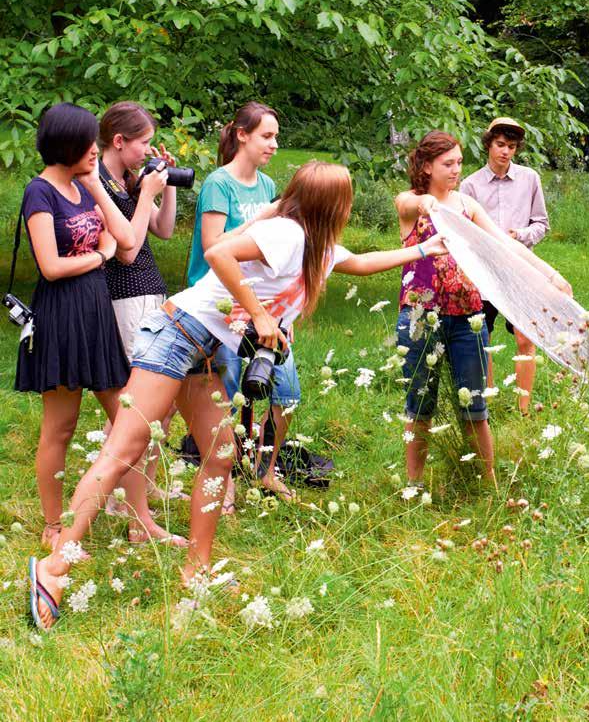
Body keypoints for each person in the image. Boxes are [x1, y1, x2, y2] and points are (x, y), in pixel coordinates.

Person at [29, 160, 448, 629]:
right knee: (124, 449)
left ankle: (197, 569)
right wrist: (260, 315)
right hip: (176, 333)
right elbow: (218, 255)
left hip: (204, 350)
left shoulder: (316, 245)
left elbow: (362, 264)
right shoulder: (287, 234)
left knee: (221, 452)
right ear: (334, 203)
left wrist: (424, 249)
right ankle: (54, 566)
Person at [395, 130, 571, 488]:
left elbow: (504, 245)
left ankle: (487, 483)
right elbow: (411, 206)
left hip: (468, 318)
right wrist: (428, 203)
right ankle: (413, 485)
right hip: (419, 315)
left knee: (475, 407)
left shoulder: (468, 206)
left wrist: (551, 274)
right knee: (419, 406)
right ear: (427, 166)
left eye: (459, 162)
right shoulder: (409, 201)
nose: (456, 170)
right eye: (448, 164)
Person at [14, 103, 135, 552]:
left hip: (96, 315)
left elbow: (124, 240)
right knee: (60, 428)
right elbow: (49, 267)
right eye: (89, 142)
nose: (96, 150)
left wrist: (96, 190)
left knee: (129, 420)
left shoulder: (84, 187)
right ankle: (52, 525)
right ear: (68, 144)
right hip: (62, 318)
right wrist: (99, 256)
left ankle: (141, 519)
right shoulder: (40, 193)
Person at [186, 102, 298, 511]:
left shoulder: (267, 185)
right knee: (227, 396)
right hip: (220, 304)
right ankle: (224, 483)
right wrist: (264, 216)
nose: (274, 144)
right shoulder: (219, 184)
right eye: (267, 136)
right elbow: (215, 247)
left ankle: (266, 471)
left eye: (276, 136)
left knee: (282, 393)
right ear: (242, 135)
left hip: (262, 306)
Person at [97, 102, 189, 546]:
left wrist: (163, 186)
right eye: (144, 143)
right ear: (119, 142)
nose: (148, 150)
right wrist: (146, 193)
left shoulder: (127, 181)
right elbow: (126, 250)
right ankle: (120, 494)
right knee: (141, 404)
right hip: (124, 296)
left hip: (151, 293)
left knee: (159, 402)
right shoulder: (98, 183)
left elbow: (165, 231)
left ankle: (136, 488)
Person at [460, 117, 549, 414]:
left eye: (511, 147)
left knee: (525, 337)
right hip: (483, 272)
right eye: (500, 145)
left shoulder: (529, 179)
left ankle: (524, 409)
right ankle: (485, 401)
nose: (505, 152)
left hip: (519, 270)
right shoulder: (470, 185)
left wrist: (520, 235)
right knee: (481, 337)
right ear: (488, 145)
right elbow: (464, 233)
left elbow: (541, 224)